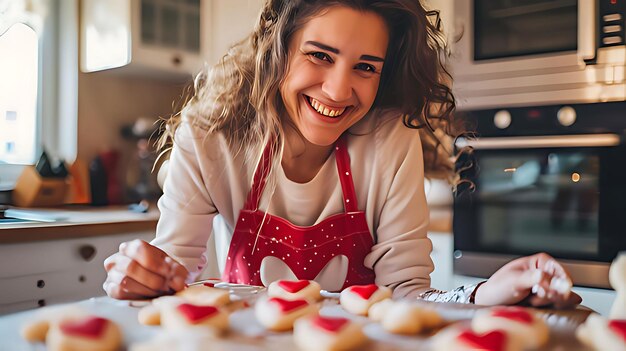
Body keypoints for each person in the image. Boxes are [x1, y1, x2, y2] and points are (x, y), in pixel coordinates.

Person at [104, 0, 581, 308]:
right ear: (278, 48)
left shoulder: (389, 140)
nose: (338, 89)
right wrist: (145, 274)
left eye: (365, 67)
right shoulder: (212, 137)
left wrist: (482, 293)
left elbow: (407, 294)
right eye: (319, 55)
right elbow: (172, 272)